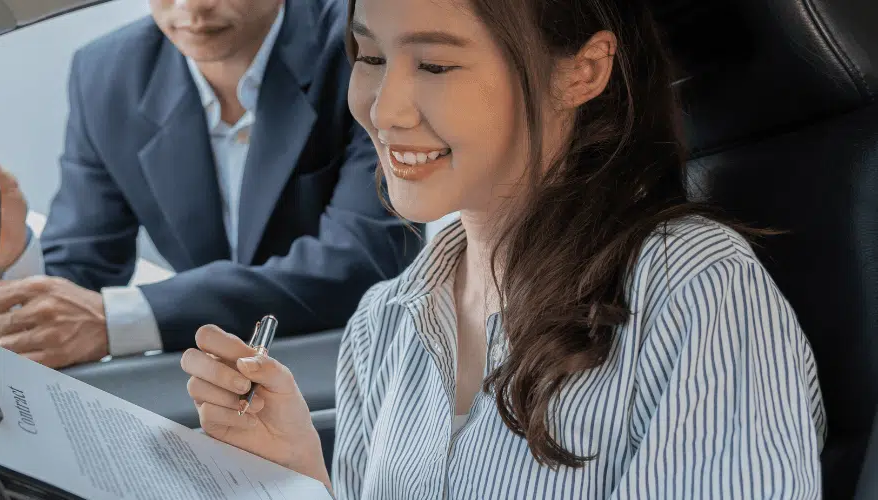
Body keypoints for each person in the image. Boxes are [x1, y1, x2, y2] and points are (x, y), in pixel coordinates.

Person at [180, 0, 828, 496]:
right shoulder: (383, 323)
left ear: (582, 72)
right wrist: (302, 475)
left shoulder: (692, 287)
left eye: (435, 64)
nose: (385, 109)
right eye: (370, 57)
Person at [0, 0, 420, 369]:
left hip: (360, 372)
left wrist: (117, 320)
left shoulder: (362, 47)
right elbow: (79, 277)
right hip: (205, 390)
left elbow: (361, 262)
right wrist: (12, 257)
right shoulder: (109, 75)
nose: (193, 7)